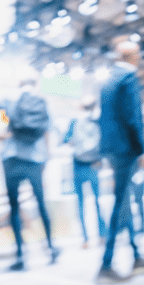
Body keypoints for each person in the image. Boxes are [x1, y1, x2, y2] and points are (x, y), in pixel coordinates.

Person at [0, 76, 60, 271]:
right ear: (35, 85)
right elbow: (47, 132)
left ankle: (20, 256)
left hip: (11, 159)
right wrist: (46, 159)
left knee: (14, 208)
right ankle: (51, 249)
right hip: (34, 159)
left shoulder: (8, 99)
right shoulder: (42, 101)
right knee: (41, 205)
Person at [96, 41, 144, 284]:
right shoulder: (128, 78)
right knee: (121, 202)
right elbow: (134, 118)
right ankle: (106, 263)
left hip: (112, 149)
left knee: (124, 201)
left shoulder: (108, 79)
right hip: (126, 150)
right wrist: (141, 152)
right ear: (133, 56)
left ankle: (135, 254)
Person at [62, 96, 107, 249]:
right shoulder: (98, 121)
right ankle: (102, 235)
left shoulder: (74, 121)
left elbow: (66, 140)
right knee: (97, 201)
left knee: (81, 203)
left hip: (78, 165)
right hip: (93, 164)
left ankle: (86, 239)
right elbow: (104, 142)